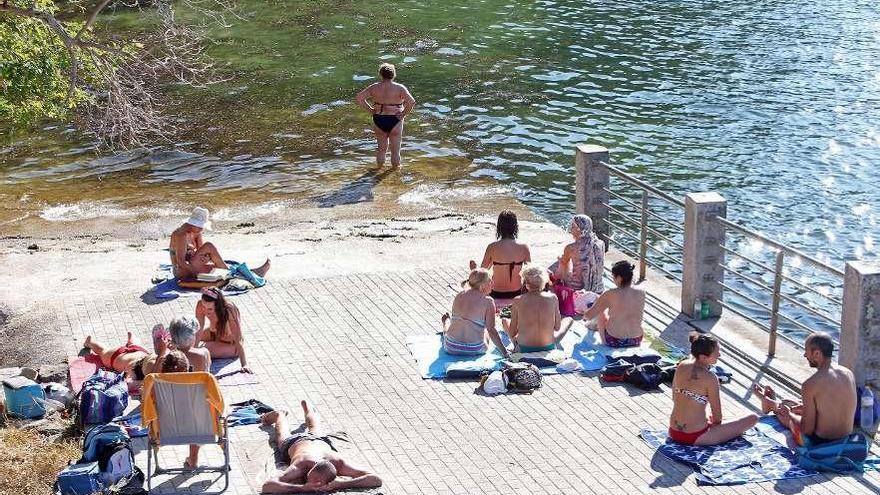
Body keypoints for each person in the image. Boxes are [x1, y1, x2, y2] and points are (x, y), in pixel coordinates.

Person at [752, 332, 856, 446]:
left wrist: (790, 415)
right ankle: (773, 403)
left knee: (787, 413)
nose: (805, 355)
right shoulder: (848, 373)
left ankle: (772, 405)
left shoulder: (811, 384)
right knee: (790, 403)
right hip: (846, 438)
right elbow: (834, 405)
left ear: (816, 353)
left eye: (806, 350)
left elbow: (806, 430)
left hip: (822, 444)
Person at [260, 400, 383, 494]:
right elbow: (267, 486)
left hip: (319, 441)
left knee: (315, 428)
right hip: (294, 443)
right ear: (311, 469)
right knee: (282, 432)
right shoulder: (301, 465)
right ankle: (280, 414)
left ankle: (309, 410)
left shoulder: (339, 463)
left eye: (316, 482)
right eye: (311, 478)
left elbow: (376, 479)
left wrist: (341, 485)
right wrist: (302, 487)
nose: (312, 483)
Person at [668, 333, 759, 445]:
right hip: (695, 436)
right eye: (716, 353)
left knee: (715, 418)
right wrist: (714, 424)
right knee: (753, 418)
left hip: (673, 431)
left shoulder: (682, 365)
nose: (719, 355)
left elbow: (675, 397)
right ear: (703, 357)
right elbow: (717, 416)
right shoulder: (710, 378)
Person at [169, 206, 270, 279]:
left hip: (192, 265)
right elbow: (181, 263)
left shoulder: (196, 232)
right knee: (210, 248)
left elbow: (202, 252)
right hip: (181, 271)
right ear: (193, 224)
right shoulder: (180, 235)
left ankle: (252, 273)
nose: (201, 229)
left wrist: (207, 259)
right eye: (200, 227)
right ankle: (234, 273)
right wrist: (198, 274)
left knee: (221, 267)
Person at [355, 63, 416, 168]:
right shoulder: (400, 88)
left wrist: (370, 110)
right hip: (395, 119)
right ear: (393, 74)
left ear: (381, 74)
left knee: (381, 150)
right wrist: (403, 114)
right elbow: (412, 102)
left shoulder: (374, 87)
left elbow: (359, 98)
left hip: (379, 118)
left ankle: (378, 170)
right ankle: (395, 174)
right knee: (396, 152)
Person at [441, 268, 511, 359]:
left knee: (452, 326)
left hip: (451, 347)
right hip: (475, 349)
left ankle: (446, 322)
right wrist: (505, 353)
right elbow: (492, 330)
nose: (492, 284)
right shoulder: (488, 301)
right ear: (482, 285)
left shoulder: (459, 295)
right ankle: (447, 322)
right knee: (487, 330)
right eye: (490, 281)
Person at [470, 210, 531, 300]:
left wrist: (474, 269)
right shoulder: (524, 247)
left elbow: (483, 271)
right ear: (515, 227)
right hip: (517, 292)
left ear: (499, 227)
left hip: (496, 292)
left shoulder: (492, 247)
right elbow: (530, 273)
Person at [505, 265, 568, 353]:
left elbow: (512, 333)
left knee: (505, 320)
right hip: (548, 347)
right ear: (543, 281)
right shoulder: (553, 298)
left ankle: (517, 345)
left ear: (526, 283)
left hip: (524, 348)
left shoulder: (518, 300)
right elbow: (557, 327)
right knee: (569, 320)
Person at [582, 260, 645, 347]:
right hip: (636, 339)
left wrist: (585, 309)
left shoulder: (610, 294)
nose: (613, 279)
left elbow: (588, 316)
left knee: (600, 309)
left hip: (614, 340)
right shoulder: (641, 292)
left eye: (613, 277)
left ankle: (594, 326)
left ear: (619, 278)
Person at [196, 287, 252, 373]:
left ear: (218, 306)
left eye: (210, 309)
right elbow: (198, 329)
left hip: (231, 345)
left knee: (202, 351)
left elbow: (237, 338)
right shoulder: (200, 305)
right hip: (214, 333)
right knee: (188, 340)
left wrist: (244, 364)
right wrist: (192, 348)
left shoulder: (229, 310)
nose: (206, 311)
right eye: (204, 307)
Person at [82, 330, 172, 381]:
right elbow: (127, 383)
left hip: (140, 351)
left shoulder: (156, 358)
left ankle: (131, 341)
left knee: (135, 345)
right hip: (118, 356)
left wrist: (165, 348)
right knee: (102, 351)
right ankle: (90, 342)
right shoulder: (132, 371)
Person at [552, 214, 604, 294]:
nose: (570, 229)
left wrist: (561, 261)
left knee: (556, 268)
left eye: (573, 227)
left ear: (579, 229)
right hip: (599, 288)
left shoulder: (571, 248)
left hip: (579, 288)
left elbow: (564, 266)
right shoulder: (600, 244)